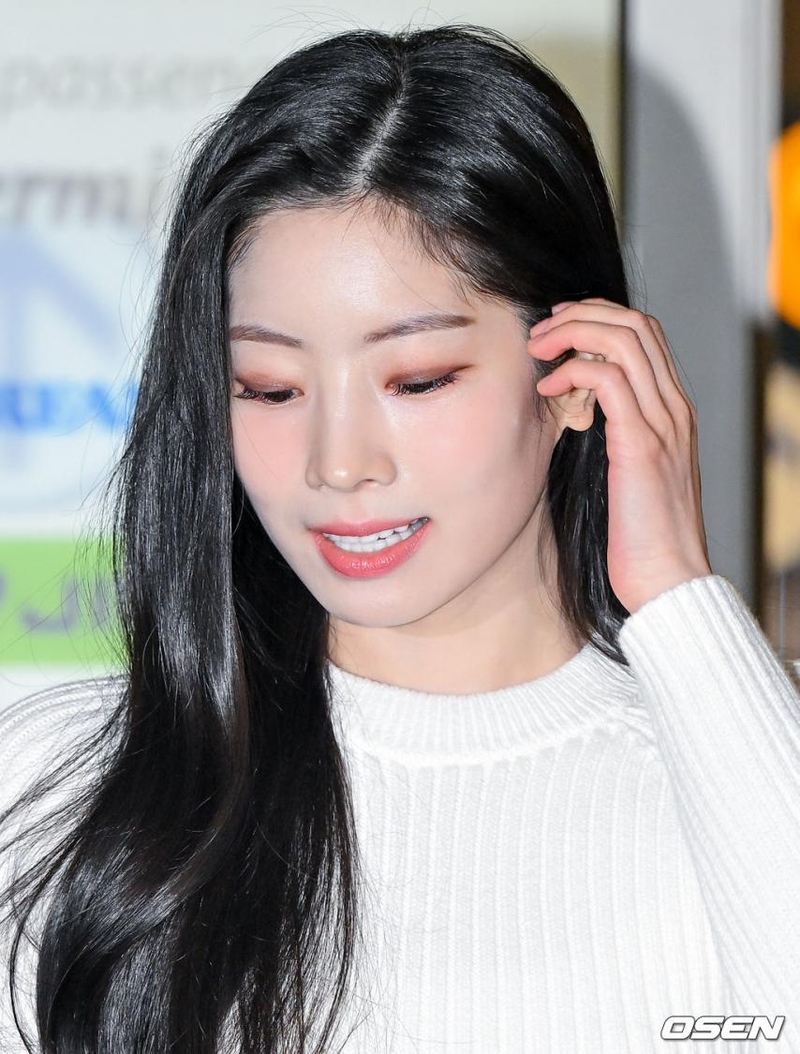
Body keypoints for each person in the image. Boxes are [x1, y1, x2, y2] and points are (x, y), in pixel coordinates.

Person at [1, 22, 799, 1054]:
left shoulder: (739, 755)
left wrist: (680, 599)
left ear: (575, 379)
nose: (338, 463)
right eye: (269, 387)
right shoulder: (63, 785)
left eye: (416, 380)